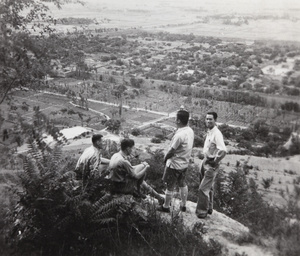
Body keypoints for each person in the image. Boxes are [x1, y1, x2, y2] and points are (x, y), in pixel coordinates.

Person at [159, 108, 194, 212]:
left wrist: (165, 159)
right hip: (184, 163)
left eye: (175, 118)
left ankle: (165, 207)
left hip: (174, 164)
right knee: (182, 183)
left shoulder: (179, 135)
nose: (174, 120)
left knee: (170, 186)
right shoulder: (190, 131)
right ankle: (183, 205)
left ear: (178, 121)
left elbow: (171, 151)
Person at [108, 138, 164, 202]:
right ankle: (139, 191)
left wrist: (142, 165)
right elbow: (136, 176)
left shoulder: (116, 155)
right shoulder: (124, 161)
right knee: (142, 173)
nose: (132, 150)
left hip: (114, 184)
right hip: (121, 187)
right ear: (128, 149)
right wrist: (146, 168)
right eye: (132, 148)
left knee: (142, 167)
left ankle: (155, 196)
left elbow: (129, 168)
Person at [196, 112, 227, 219]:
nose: (208, 121)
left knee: (203, 188)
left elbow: (223, 150)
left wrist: (215, 160)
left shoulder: (217, 133)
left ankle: (202, 212)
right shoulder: (210, 132)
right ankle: (209, 208)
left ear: (215, 120)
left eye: (211, 119)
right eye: (207, 119)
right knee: (209, 187)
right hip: (205, 161)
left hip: (211, 163)